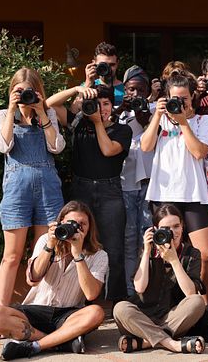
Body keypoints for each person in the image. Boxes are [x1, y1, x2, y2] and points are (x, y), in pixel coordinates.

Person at [0, 201, 108, 361]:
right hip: (35, 309)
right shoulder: (46, 240)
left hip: (68, 314)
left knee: (96, 313)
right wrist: (50, 246)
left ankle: (35, 345)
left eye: (82, 224)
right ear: (60, 223)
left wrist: (78, 255)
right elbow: (32, 279)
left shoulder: (99, 255)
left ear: (90, 228)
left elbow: (91, 294)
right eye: (71, 223)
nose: (76, 228)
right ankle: (60, 342)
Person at [46, 84, 132, 302]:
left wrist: (97, 123)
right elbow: (49, 104)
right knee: (79, 242)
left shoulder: (123, 130)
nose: (101, 108)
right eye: (96, 103)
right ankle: (83, 300)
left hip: (109, 191)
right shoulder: (78, 123)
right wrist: (76, 89)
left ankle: (116, 302)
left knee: (114, 249)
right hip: (81, 189)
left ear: (113, 105)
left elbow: (108, 150)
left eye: (105, 104)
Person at [141, 73, 208, 310]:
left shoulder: (203, 122)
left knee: (205, 254)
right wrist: (158, 115)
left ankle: (203, 306)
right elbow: (145, 146)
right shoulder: (161, 118)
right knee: (163, 253)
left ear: (192, 96)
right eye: (175, 98)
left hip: (194, 195)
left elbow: (198, 152)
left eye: (184, 98)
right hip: (163, 194)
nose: (179, 102)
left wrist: (183, 121)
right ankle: (166, 304)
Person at [0, 68, 65, 315]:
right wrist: (13, 110)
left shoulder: (48, 114)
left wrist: (42, 112)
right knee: (11, 256)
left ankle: (39, 312)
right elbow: (3, 145)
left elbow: (56, 147)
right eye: (19, 92)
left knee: (44, 252)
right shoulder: (2, 115)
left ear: (39, 92)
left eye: (29, 92)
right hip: (16, 191)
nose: (24, 96)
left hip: (48, 189)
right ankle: (2, 315)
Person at [113, 204, 208, 355]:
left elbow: (190, 292)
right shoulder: (148, 251)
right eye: (165, 228)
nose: (172, 232)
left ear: (183, 226)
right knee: (120, 308)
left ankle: (145, 342)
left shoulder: (192, 254)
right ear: (155, 229)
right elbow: (139, 288)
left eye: (176, 226)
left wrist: (175, 261)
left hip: (172, 318)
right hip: (143, 316)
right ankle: (172, 344)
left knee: (197, 301)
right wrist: (146, 252)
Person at [117, 65, 155, 297]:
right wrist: (121, 111)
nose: (136, 95)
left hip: (151, 181)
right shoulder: (117, 112)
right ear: (125, 89)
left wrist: (145, 117)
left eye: (141, 90)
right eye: (131, 90)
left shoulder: (153, 110)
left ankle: (149, 292)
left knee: (148, 236)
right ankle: (132, 292)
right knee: (130, 237)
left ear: (148, 91)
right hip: (126, 182)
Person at [78, 42, 124, 107]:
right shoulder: (86, 86)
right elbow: (74, 111)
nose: (108, 69)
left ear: (117, 64)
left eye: (111, 65)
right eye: (103, 65)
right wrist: (88, 83)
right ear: (94, 63)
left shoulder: (127, 88)